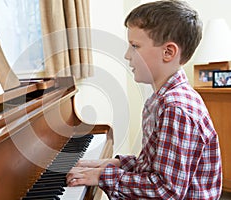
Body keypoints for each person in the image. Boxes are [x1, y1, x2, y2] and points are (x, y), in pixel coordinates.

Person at [66, 0, 222, 199]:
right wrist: (118, 164)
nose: (127, 55)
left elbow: (166, 191)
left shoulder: (177, 108)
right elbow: (154, 165)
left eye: (134, 46)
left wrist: (103, 175)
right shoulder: (160, 99)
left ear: (168, 52)